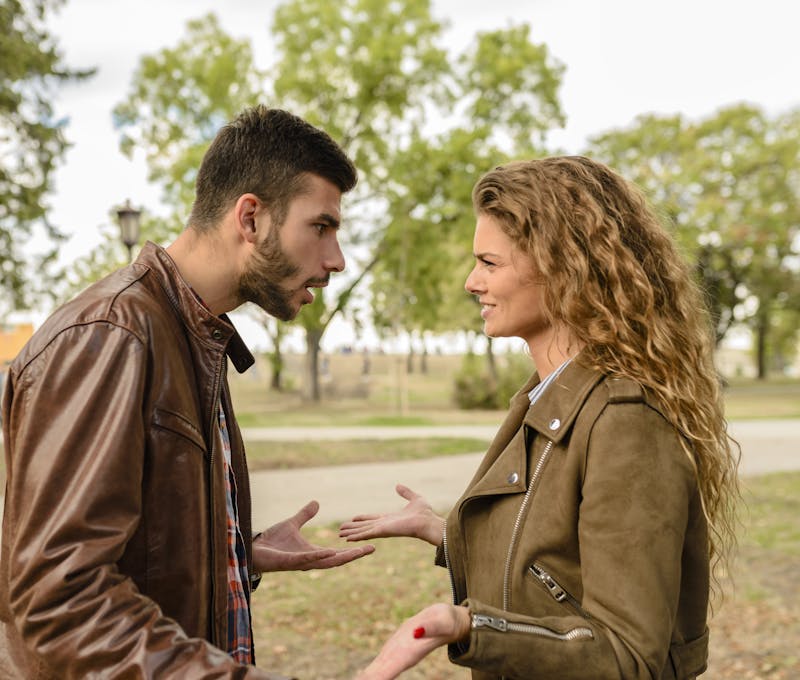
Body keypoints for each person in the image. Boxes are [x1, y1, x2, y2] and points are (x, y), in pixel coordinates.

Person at [0, 105, 375, 678]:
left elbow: (127, 551)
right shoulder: (111, 336)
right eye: (321, 227)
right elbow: (60, 601)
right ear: (250, 218)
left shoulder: (193, 334)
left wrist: (230, 552)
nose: (336, 261)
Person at [345, 156, 740, 679]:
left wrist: (468, 628)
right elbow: (553, 566)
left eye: (489, 263)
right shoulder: (547, 397)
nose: (470, 282)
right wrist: (445, 533)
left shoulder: (626, 421)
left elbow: (627, 657)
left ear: (562, 268)